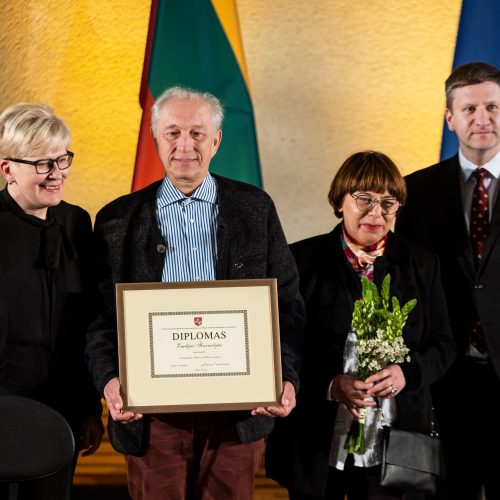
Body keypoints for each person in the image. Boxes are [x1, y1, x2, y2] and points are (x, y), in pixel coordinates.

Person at [85, 86, 304, 500]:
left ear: (216, 140)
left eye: (197, 133)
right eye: (172, 133)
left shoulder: (255, 208)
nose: (185, 145)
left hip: (238, 414)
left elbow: (287, 306)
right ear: (155, 138)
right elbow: (99, 318)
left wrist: (286, 377)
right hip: (153, 417)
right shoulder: (117, 220)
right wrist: (110, 381)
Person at [266, 151, 455, 500]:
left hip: (394, 442)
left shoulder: (422, 264)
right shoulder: (299, 260)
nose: (376, 213)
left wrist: (406, 374)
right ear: (340, 201)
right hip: (316, 436)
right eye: (364, 199)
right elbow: (279, 346)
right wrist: (330, 384)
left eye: (388, 202)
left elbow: (443, 345)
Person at [396, 62, 500, 500]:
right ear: (450, 117)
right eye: (470, 107)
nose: (483, 118)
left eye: (493, 106)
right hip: (443, 379)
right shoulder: (413, 192)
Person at [0, 103, 103, 500]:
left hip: (60, 406)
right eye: (43, 163)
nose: (57, 173)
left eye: (62, 159)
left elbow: (84, 321)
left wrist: (88, 407)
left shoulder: (77, 222)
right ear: (9, 168)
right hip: (5, 397)